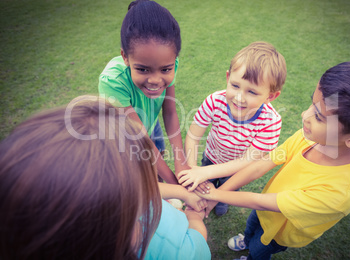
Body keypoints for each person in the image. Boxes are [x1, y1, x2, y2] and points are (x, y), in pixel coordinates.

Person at [191, 57, 350, 259]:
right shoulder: (309, 138)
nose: (304, 115)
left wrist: (213, 195)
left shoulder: (340, 193)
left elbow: (261, 201)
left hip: (280, 233)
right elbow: (260, 166)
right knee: (252, 228)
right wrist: (216, 195)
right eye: (312, 104)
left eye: (318, 116)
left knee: (259, 249)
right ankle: (246, 239)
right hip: (262, 211)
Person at [0, 96, 211, 260]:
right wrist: (193, 219)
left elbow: (142, 189)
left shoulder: (108, 202)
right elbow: (198, 243)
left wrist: (182, 193)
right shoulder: (179, 252)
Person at [182, 41, 286, 215]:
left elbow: (246, 161)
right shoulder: (215, 101)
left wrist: (216, 193)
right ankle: (210, 189)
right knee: (204, 181)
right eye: (235, 86)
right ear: (228, 77)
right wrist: (195, 172)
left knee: (225, 191)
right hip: (211, 156)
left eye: (251, 92)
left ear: (271, 96)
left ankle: (222, 198)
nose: (239, 97)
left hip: (238, 170)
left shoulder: (271, 121)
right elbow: (193, 136)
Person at [99, 0, 188, 184]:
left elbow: (170, 112)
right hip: (124, 140)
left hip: (149, 124)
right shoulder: (113, 82)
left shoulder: (172, 64)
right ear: (125, 56)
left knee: (158, 162)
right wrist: (176, 184)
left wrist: (181, 165)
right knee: (140, 181)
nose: (155, 80)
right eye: (143, 69)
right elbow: (140, 140)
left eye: (165, 70)